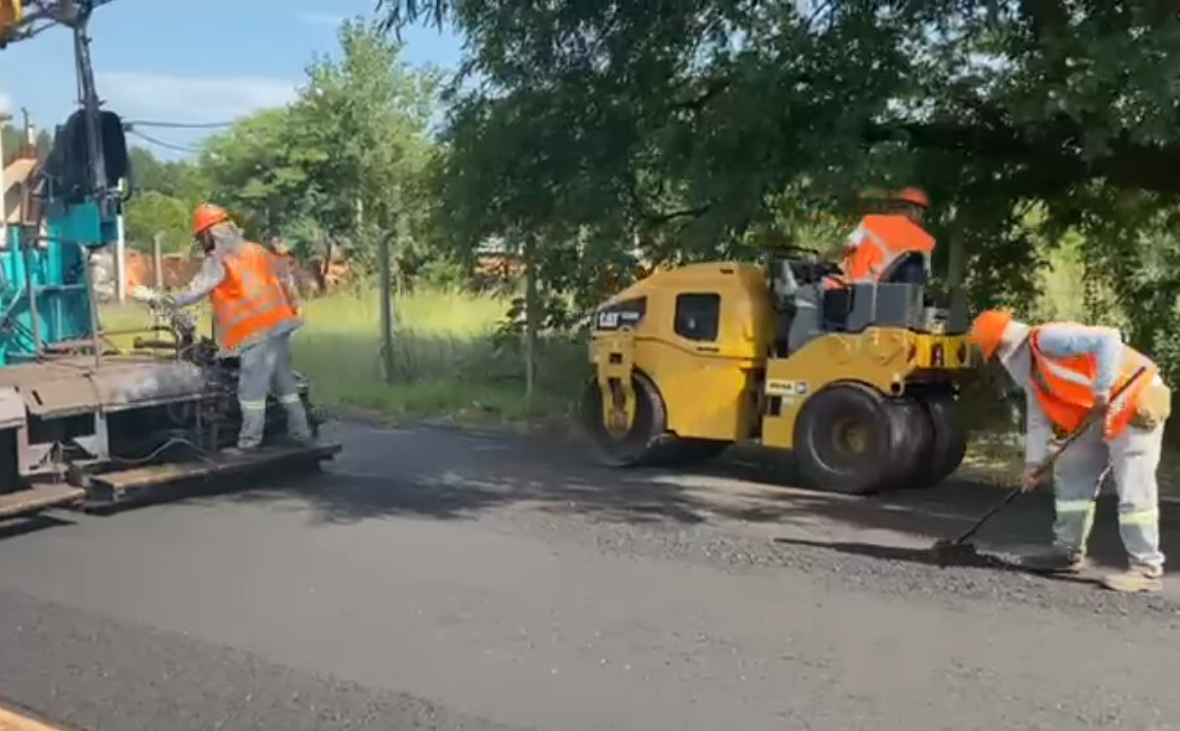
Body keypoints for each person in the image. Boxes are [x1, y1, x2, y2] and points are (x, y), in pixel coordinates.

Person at [969, 309, 1172, 592]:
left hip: (1133, 398)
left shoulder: (1047, 339)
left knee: (1134, 487)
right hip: (1098, 412)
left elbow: (1108, 338)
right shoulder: (1034, 374)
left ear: (1006, 348)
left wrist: (1102, 389)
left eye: (995, 358)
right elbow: (1038, 419)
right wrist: (1033, 465)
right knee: (1072, 465)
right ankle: (1067, 551)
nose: (999, 366)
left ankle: (1145, 569)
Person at [137, 204, 315, 453]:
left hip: (255, 331)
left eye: (201, 237)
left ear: (211, 233)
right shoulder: (255, 250)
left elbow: (195, 292)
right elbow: (283, 278)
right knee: (284, 384)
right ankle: (302, 432)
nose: (202, 242)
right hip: (279, 324)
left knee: (251, 391)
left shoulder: (219, 259)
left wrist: (163, 301)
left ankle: (248, 443)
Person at [828, 187, 936, 287]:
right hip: (895, 297)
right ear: (918, 212)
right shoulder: (927, 241)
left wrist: (824, 258)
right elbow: (923, 278)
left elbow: (846, 247)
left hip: (854, 289)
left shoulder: (871, 222)